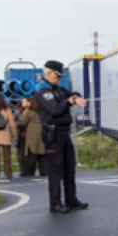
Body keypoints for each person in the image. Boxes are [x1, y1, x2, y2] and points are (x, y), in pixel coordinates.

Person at [35, 60, 88, 214]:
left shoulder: (58, 89)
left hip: (64, 132)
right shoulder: (43, 90)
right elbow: (55, 110)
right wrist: (68, 102)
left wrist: (76, 98)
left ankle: (71, 199)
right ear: (49, 73)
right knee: (55, 169)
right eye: (57, 76)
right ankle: (55, 203)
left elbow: (71, 94)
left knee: (69, 167)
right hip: (53, 133)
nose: (58, 79)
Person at [18, 98, 48, 177]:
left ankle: (30, 171)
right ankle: (44, 171)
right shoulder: (41, 112)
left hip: (32, 136)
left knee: (32, 154)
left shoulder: (29, 113)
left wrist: (17, 125)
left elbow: (23, 123)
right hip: (42, 134)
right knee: (42, 153)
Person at [15, 98, 30, 176]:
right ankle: (22, 169)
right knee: (21, 153)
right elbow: (14, 121)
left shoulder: (33, 111)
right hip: (21, 134)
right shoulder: (18, 111)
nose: (24, 103)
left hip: (31, 135)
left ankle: (29, 169)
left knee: (29, 153)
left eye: (26, 101)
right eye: (23, 101)